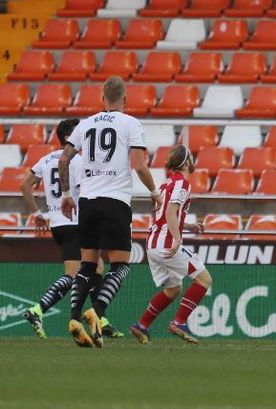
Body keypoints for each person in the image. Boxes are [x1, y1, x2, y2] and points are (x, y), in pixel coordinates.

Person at [59, 76, 162, 348]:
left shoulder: (84, 124)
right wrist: (153, 191)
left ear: (101, 98)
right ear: (125, 100)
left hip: (89, 202)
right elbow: (139, 166)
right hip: (115, 201)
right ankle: (98, 312)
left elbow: (63, 159)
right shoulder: (131, 123)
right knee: (120, 267)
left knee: (87, 266)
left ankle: (73, 318)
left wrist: (68, 195)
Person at [20, 119, 121, 339]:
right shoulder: (77, 160)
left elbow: (24, 184)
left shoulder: (46, 160)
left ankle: (101, 321)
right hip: (75, 222)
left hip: (58, 224)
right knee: (76, 274)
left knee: (97, 268)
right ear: (70, 135)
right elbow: (81, 192)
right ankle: (38, 309)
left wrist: (37, 214)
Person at [129, 145, 209, 345]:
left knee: (173, 289)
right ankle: (179, 321)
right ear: (186, 162)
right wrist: (178, 238)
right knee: (204, 279)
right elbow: (170, 212)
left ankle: (142, 325)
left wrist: (188, 225)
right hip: (166, 243)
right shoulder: (182, 184)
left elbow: (164, 213)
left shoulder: (165, 185)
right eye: (191, 157)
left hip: (153, 244)